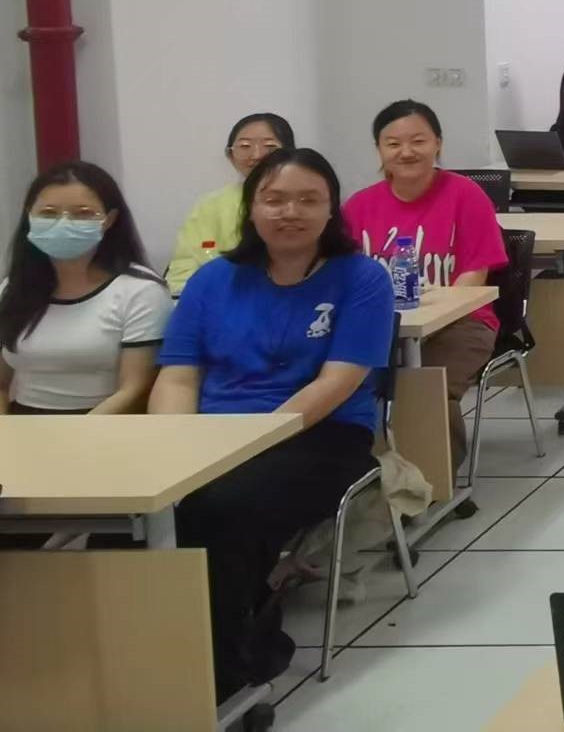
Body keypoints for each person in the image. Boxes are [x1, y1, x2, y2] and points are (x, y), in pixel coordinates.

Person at [152, 148, 396, 701]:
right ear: (252, 207)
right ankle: (150, 649)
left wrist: (248, 442)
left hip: (321, 434)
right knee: (138, 515)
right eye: (275, 199)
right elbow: (178, 376)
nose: (291, 212)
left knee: (218, 509)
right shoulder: (213, 280)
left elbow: (337, 382)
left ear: (331, 209)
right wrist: (170, 445)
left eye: (309, 200)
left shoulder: (362, 278)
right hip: (214, 435)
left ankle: (226, 664)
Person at [343, 100, 509, 457]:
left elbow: (474, 274)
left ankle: (434, 476)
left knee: (424, 384)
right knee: (339, 383)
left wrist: (432, 321)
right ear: (379, 149)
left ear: (438, 143)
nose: (406, 152)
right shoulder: (358, 207)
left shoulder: (466, 196)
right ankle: (364, 471)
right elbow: (343, 277)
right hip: (380, 328)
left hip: (461, 323)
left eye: (418, 141)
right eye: (393, 143)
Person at [0, 161, 170, 415]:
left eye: (83, 213)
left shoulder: (140, 291)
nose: (63, 223)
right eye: (48, 213)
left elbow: (135, 388)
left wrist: (77, 432)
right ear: (29, 216)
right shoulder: (12, 288)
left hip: (105, 423)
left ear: (110, 220)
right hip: (24, 422)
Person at [167, 112, 293, 294]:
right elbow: (184, 265)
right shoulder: (210, 204)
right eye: (245, 146)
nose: (256, 155)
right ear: (230, 155)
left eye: (269, 146)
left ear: (290, 152)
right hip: (217, 300)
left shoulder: (302, 201)